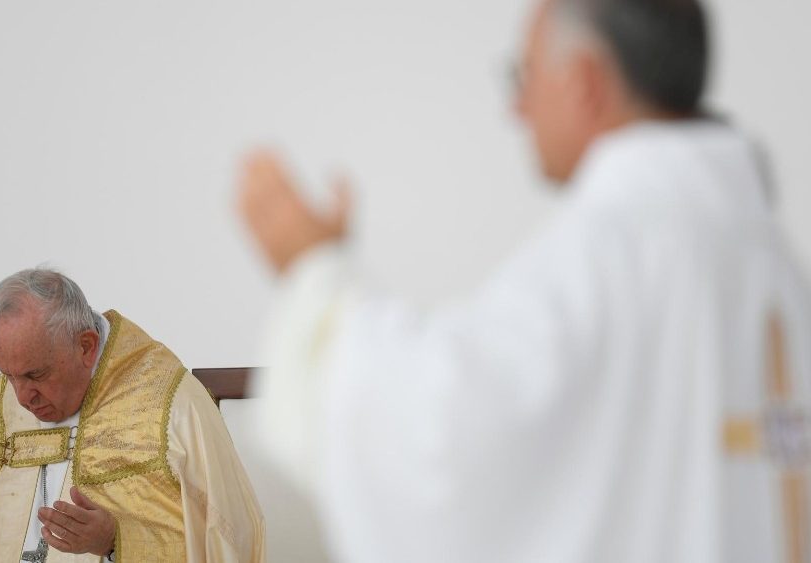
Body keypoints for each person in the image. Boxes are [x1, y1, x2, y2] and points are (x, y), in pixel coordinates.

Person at [237, 0, 811, 561]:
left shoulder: (613, 246)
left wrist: (313, 273)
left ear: (584, 82)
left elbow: (440, 434)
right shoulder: (767, 252)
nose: (517, 108)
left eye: (524, 74)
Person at [0, 269, 265, 563]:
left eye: (35, 375)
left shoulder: (169, 403)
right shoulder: (12, 397)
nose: (23, 397)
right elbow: (4, 546)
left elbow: (232, 541)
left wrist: (117, 543)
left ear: (85, 346)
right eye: (6, 375)